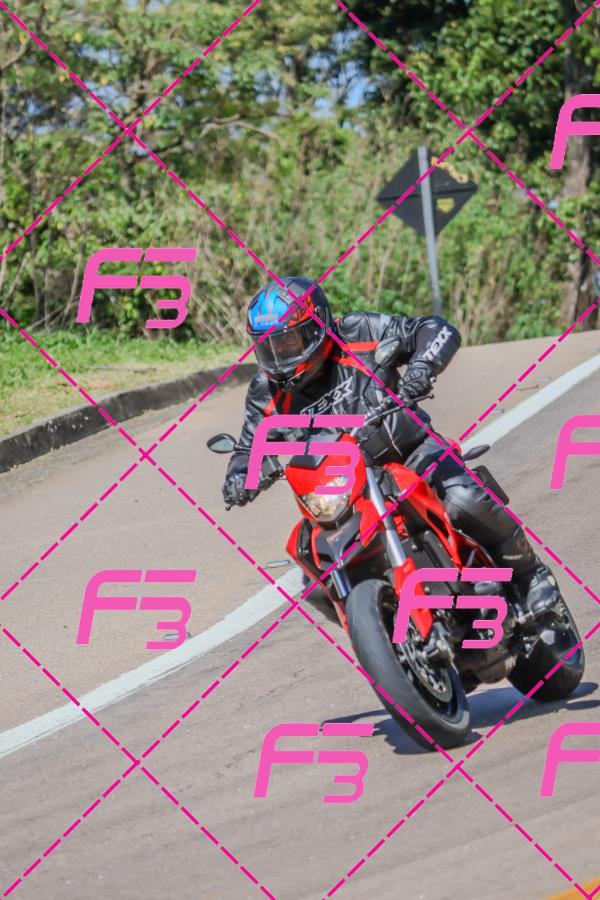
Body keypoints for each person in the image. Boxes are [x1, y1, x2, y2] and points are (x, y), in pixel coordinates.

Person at [222, 276, 559, 616]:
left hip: (409, 452)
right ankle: (383, 630)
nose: (279, 355)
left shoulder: (357, 332)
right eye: (268, 347)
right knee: (312, 574)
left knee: (462, 498)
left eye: (287, 341)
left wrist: (421, 368)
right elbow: (247, 448)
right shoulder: (265, 391)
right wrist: (240, 477)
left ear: (316, 327)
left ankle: (530, 575)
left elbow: (434, 329)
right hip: (341, 487)